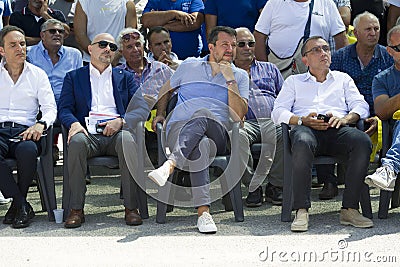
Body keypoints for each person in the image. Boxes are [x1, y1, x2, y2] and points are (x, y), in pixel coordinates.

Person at [148, 26, 249, 234]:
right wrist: (161, 113)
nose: (230, 49)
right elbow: (166, 88)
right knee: (200, 145)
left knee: (202, 114)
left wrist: (229, 79)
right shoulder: (189, 66)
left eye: (233, 45)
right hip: (179, 129)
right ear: (211, 47)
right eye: (224, 45)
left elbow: (238, 117)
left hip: (218, 132)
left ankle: (170, 164)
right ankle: (203, 213)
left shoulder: (239, 76)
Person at [271, 36, 373, 232]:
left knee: (362, 141)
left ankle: (350, 209)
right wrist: (301, 120)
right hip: (307, 128)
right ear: (305, 59)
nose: (323, 53)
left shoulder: (343, 79)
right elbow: (277, 112)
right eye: (316, 50)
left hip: (337, 129)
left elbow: (361, 106)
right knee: (301, 140)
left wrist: (346, 119)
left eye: (326, 48)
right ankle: (301, 209)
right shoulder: (294, 81)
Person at [58, 32, 148, 228]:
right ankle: (76, 210)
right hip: (87, 133)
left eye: (113, 47)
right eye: (103, 44)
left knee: (127, 141)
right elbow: (64, 109)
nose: (108, 49)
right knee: (76, 143)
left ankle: (131, 208)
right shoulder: (74, 77)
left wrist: (121, 121)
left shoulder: (125, 77)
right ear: (90, 49)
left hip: (117, 133)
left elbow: (141, 109)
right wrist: (74, 124)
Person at [318, 11, 393, 200]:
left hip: (380, 113)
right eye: (368, 29)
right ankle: (328, 180)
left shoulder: (388, 55)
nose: (373, 33)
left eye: (376, 29)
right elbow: (330, 88)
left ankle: (374, 177)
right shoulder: (340, 57)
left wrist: (379, 116)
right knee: (326, 121)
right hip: (347, 112)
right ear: (356, 33)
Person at [0, 25, 57, 228]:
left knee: (27, 150)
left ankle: (18, 205)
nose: (20, 48)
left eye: (22, 44)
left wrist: (41, 124)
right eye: (13, 45)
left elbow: (50, 108)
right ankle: (22, 203)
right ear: (2, 50)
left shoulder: (37, 75)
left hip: (26, 131)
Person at [233, 27, 284, 207]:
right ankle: (253, 186)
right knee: (236, 135)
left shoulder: (270, 69)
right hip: (244, 123)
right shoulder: (226, 73)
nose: (247, 47)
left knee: (285, 132)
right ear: (232, 46)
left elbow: (284, 98)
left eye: (251, 44)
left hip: (272, 122)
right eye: (241, 44)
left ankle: (275, 186)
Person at [254, 0, 349, 79]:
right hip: (279, 74)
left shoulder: (327, 3)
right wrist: (265, 72)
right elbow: (259, 36)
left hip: (316, 77)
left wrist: (336, 74)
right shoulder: (274, 3)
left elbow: (341, 38)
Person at [365, 25, 400, 191]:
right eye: (399, 48)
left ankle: (390, 168)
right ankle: (389, 168)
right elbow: (382, 111)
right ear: (390, 51)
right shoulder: (382, 79)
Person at [27, 19, 82, 104]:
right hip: (38, 104)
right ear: (42, 35)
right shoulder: (29, 53)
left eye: (60, 32)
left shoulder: (74, 54)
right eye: (52, 31)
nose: (57, 34)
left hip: (66, 104)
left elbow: (79, 84)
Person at [73, 0, 137, 65]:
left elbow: (130, 36)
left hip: (119, 62)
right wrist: (97, 56)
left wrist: (116, 55)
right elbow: (80, 36)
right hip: (91, 61)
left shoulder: (128, 4)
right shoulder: (83, 2)